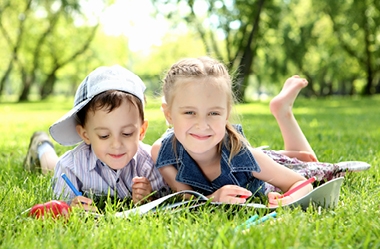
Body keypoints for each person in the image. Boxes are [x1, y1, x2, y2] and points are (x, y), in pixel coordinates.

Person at [151, 56, 369, 207]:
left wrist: (285, 200)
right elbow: (187, 197)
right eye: (189, 112)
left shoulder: (243, 155)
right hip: (264, 161)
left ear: (227, 113)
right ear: (168, 114)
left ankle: (283, 112)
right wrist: (212, 198)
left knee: (312, 164)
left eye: (214, 113)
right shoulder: (162, 151)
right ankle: (285, 135)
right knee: (297, 157)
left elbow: (299, 183)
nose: (202, 124)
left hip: (264, 170)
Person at [24, 65, 168, 210]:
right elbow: (60, 206)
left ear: (142, 131)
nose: (116, 145)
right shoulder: (70, 167)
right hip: (70, 163)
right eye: (104, 136)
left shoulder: (151, 164)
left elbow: (168, 199)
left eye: (127, 133)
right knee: (51, 166)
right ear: (85, 134)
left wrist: (150, 196)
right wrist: (73, 207)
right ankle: (42, 146)